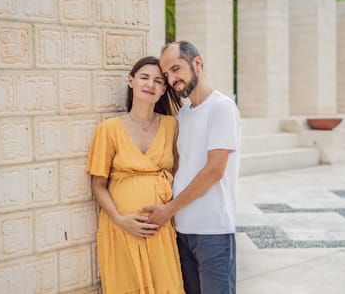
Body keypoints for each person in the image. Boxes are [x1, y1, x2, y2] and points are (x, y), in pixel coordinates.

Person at [141, 41, 241, 294]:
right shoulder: (183, 114)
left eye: (176, 69)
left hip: (213, 232)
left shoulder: (222, 108)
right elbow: (179, 167)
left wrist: (168, 210)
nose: (172, 79)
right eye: (167, 75)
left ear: (197, 63)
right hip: (182, 230)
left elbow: (214, 170)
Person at [86, 56, 184, 294]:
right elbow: (98, 184)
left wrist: (168, 210)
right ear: (131, 81)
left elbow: (176, 170)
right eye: (144, 78)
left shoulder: (172, 126)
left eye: (158, 81)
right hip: (121, 227)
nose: (150, 84)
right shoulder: (109, 129)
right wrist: (121, 220)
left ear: (163, 90)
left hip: (159, 226)